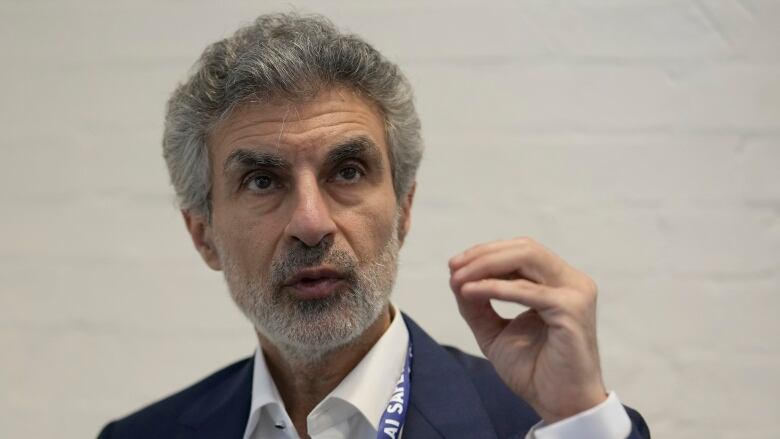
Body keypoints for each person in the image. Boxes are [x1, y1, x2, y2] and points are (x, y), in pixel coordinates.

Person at [98, 12, 650, 439]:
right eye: (263, 181)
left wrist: (577, 416)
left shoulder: (535, 424)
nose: (312, 224)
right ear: (204, 234)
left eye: (348, 170)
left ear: (404, 208)